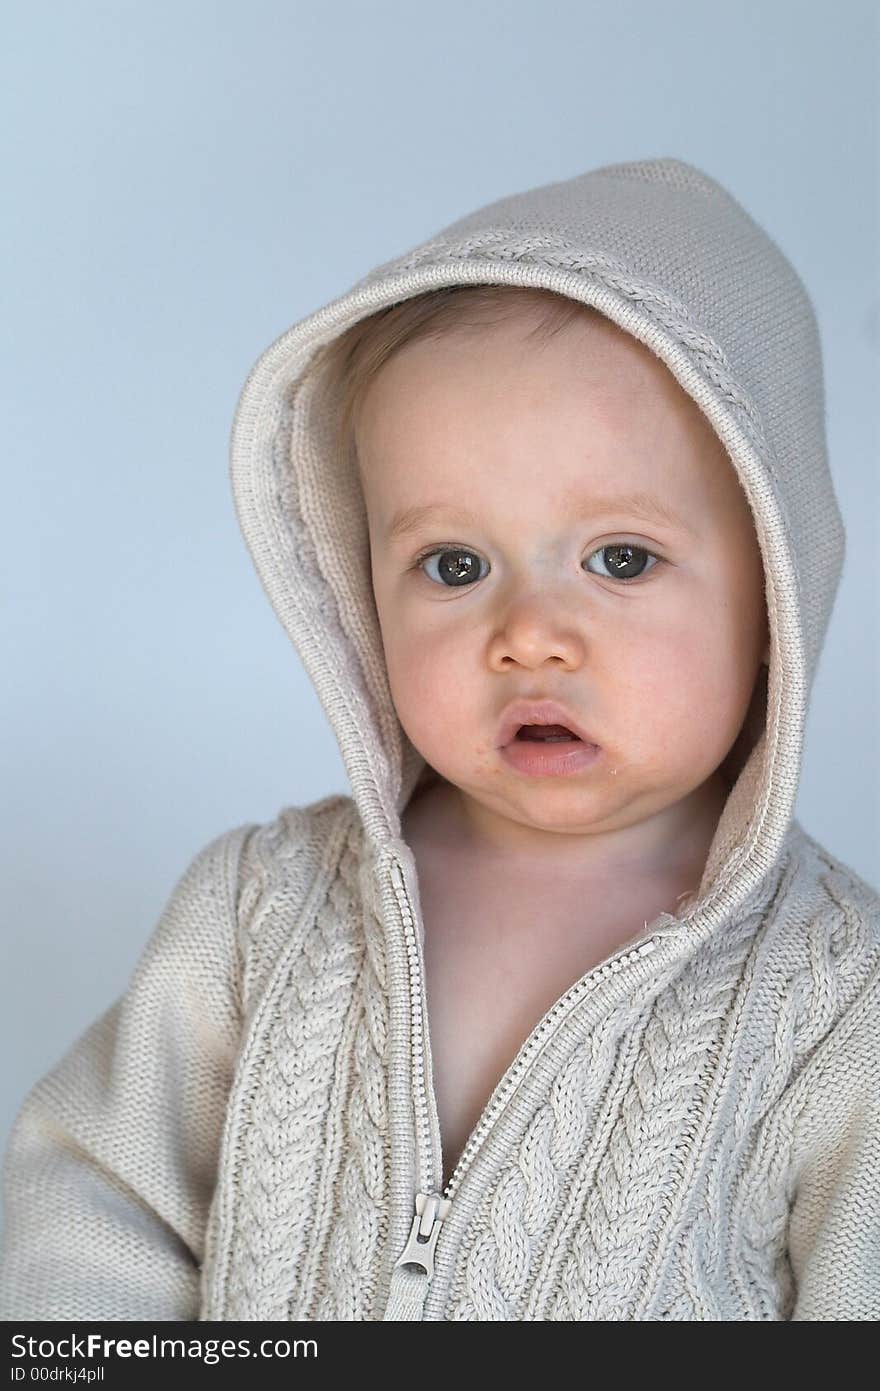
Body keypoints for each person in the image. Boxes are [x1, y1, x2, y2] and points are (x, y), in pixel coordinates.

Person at [1, 156, 878, 1322]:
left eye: (621, 557)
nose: (528, 635)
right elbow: (96, 1196)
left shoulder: (837, 1000)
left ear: (771, 594)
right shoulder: (258, 908)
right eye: (452, 565)